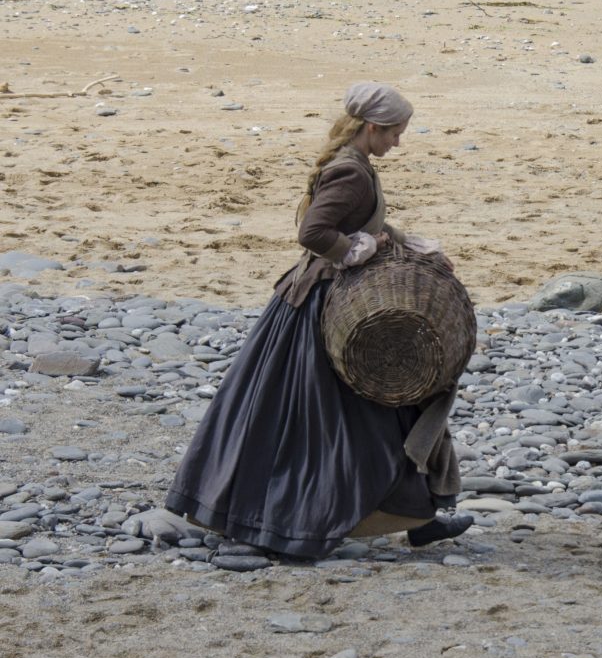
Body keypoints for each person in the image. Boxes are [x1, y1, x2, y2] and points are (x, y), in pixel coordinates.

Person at [164, 82, 473, 558]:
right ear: (372, 127)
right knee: (353, 419)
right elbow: (313, 232)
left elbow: (359, 223)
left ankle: (418, 519)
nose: (398, 142)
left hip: (326, 302)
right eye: (395, 133)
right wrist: (355, 251)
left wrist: (400, 242)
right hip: (324, 311)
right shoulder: (350, 171)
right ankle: (293, 522)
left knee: (372, 412)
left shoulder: (355, 162)